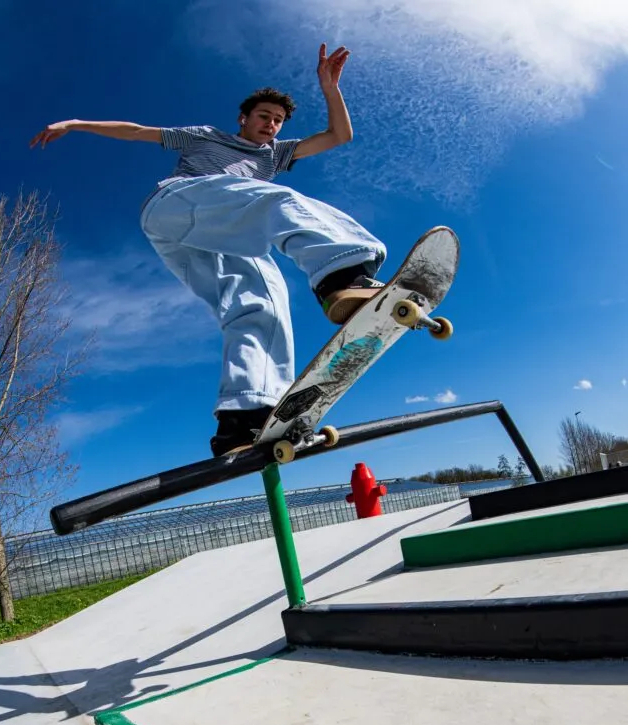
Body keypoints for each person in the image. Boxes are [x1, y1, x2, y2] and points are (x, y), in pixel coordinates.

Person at [30, 44, 387, 456]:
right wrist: (76, 123)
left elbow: (340, 136)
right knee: (278, 201)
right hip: (180, 207)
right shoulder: (205, 136)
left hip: (218, 236)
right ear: (243, 118)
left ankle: (244, 416)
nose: (270, 125)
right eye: (263, 117)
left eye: (278, 120)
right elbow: (136, 130)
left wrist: (330, 89)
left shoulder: (278, 154)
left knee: (261, 304)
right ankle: (342, 277)